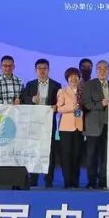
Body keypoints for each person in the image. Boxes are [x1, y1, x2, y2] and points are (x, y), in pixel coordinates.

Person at [20, 59, 62, 187]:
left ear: (48, 70)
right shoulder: (30, 84)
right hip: (34, 123)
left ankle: (48, 180)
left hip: (49, 122)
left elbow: (59, 102)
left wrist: (56, 106)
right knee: (34, 150)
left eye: (44, 68)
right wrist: (32, 99)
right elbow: (23, 99)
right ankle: (33, 179)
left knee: (50, 151)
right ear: (35, 70)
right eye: (39, 68)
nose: (42, 71)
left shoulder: (56, 85)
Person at [82, 60, 109, 190]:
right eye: (100, 69)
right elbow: (86, 104)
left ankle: (103, 181)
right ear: (96, 71)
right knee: (92, 155)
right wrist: (101, 104)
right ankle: (91, 181)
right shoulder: (89, 84)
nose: (102, 71)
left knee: (106, 155)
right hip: (93, 126)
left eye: (105, 68)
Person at [56, 68, 85, 189]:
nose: (73, 79)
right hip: (66, 128)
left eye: (75, 76)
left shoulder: (83, 91)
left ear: (79, 78)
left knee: (77, 155)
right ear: (67, 79)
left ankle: (75, 181)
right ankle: (67, 182)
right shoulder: (62, 91)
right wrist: (72, 108)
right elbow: (59, 108)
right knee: (66, 155)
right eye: (70, 77)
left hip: (79, 127)